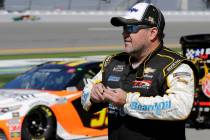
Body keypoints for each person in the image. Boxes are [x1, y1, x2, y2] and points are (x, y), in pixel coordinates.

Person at [81, 2, 198, 140]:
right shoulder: (113, 62)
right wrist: (93, 95)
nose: (125, 33)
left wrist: (127, 101)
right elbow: (86, 93)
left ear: (152, 33)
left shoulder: (176, 65)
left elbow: (181, 107)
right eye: (124, 28)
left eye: (131, 27)